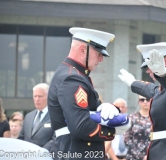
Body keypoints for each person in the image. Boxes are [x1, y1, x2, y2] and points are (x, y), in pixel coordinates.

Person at [48, 27, 125, 160]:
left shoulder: (75, 74)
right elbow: (81, 126)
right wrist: (113, 131)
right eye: (99, 54)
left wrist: (107, 108)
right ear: (83, 50)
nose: (101, 59)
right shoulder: (72, 78)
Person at [118, 42, 166, 159]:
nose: (147, 71)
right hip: (162, 152)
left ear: (163, 63)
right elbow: (152, 90)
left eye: (149, 66)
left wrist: (164, 74)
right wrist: (133, 83)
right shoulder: (164, 90)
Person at [18, 83, 55, 151]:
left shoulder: (55, 116)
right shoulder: (28, 116)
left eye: (40, 96)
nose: (37, 99)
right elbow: (21, 138)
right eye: (35, 96)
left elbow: (55, 139)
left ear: (48, 96)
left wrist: (39, 153)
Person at [124, 95, 151, 160]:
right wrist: (141, 156)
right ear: (138, 102)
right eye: (142, 100)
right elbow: (126, 139)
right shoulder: (131, 117)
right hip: (133, 156)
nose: (145, 102)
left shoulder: (156, 118)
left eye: (147, 99)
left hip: (152, 155)